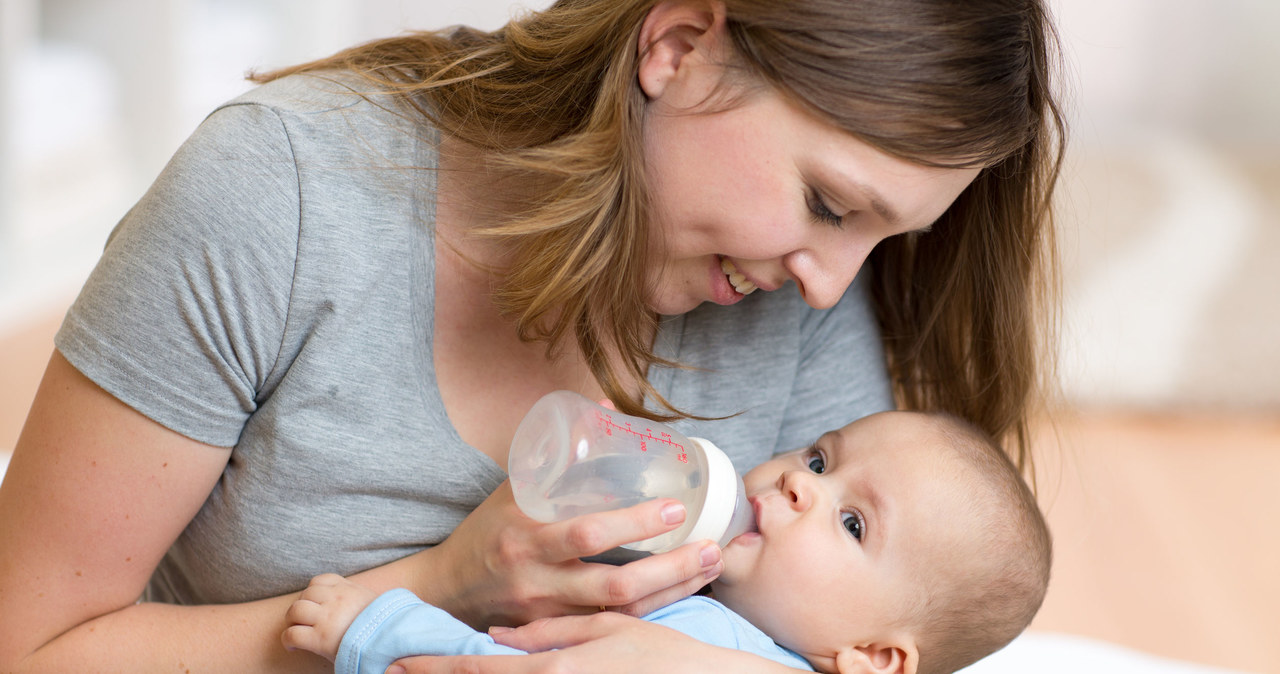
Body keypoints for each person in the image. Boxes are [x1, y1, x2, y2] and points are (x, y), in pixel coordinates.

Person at [0, 0, 1065, 672]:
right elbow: (25, 646)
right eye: (829, 206)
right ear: (680, 43)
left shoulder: (790, 303)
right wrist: (439, 584)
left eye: (883, 237)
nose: (832, 286)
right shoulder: (281, 198)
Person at [282, 411, 1052, 674]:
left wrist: (368, 627)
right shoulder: (705, 620)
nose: (798, 482)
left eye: (852, 523)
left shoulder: (703, 643)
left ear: (876, 658)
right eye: (819, 457)